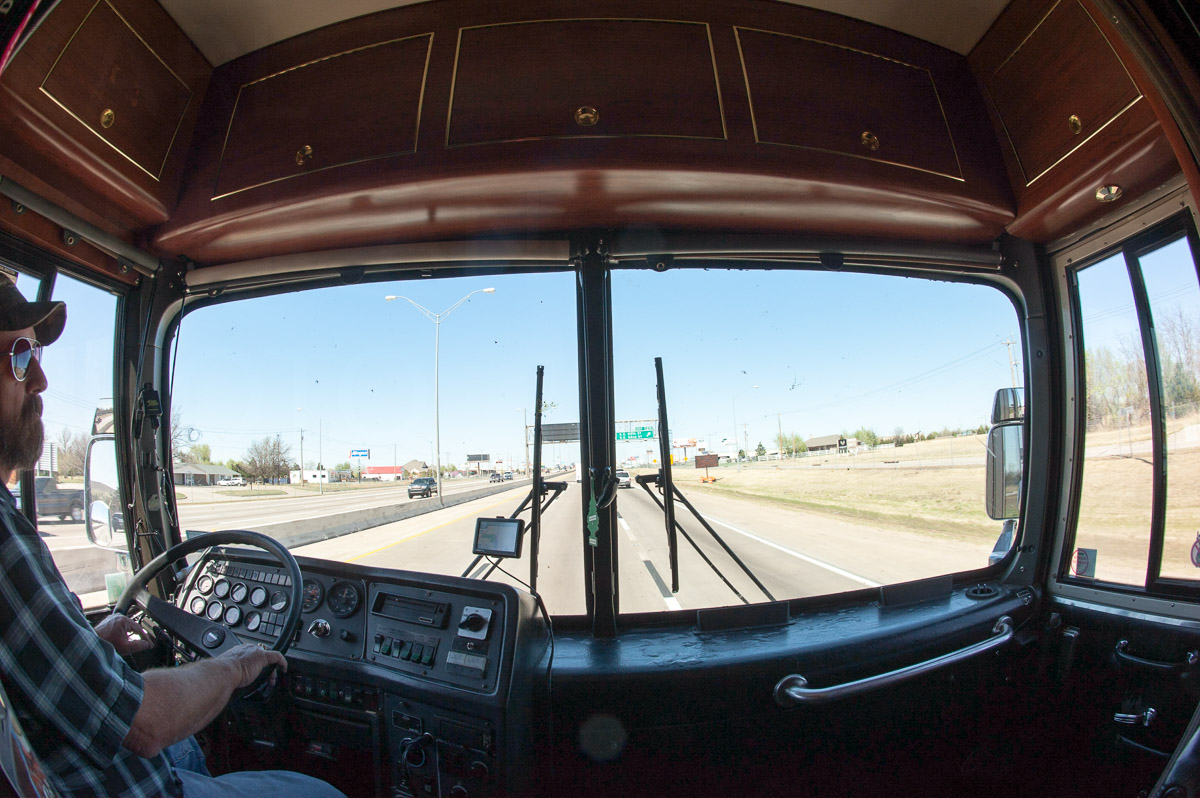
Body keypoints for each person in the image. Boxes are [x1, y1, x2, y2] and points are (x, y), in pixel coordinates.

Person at [0, 280, 345, 798]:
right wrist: (235, 666)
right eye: (20, 355)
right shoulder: (6, 544)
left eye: (37, 354)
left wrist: (90, 648)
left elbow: (36, 680)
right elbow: (145, 723)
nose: (42, 380)